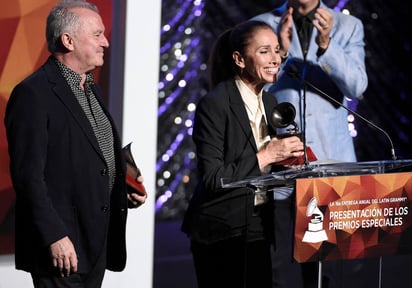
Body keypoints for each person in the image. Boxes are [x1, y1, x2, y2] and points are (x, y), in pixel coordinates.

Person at [4, 1, 147, 287]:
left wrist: (123, 187)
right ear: (67, 40)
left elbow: (84, 156)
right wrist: (53, 235)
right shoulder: (33, 94)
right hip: (62, 247)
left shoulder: (90, 87)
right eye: (97, 34)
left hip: (96, 244)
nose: (105, 42)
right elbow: (28, 176)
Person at [252, 0, 368, 287]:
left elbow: (357, 87)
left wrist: (327, 44)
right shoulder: (262, 26)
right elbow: (250, 91)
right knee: (274, 269)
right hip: (280, 170)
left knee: (326, 272)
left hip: (331, 167)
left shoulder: (347, 26)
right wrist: (280, 51)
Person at [181, 20, 305, 288]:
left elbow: (265, 170)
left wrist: (291, 163)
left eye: (277, 50)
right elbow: (214, 178)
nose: (275, 59)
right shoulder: (214, 104)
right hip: (221, 231)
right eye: (264, 51)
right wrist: (268, 155)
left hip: (260, 226)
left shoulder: (270, 102)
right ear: (239, 59)